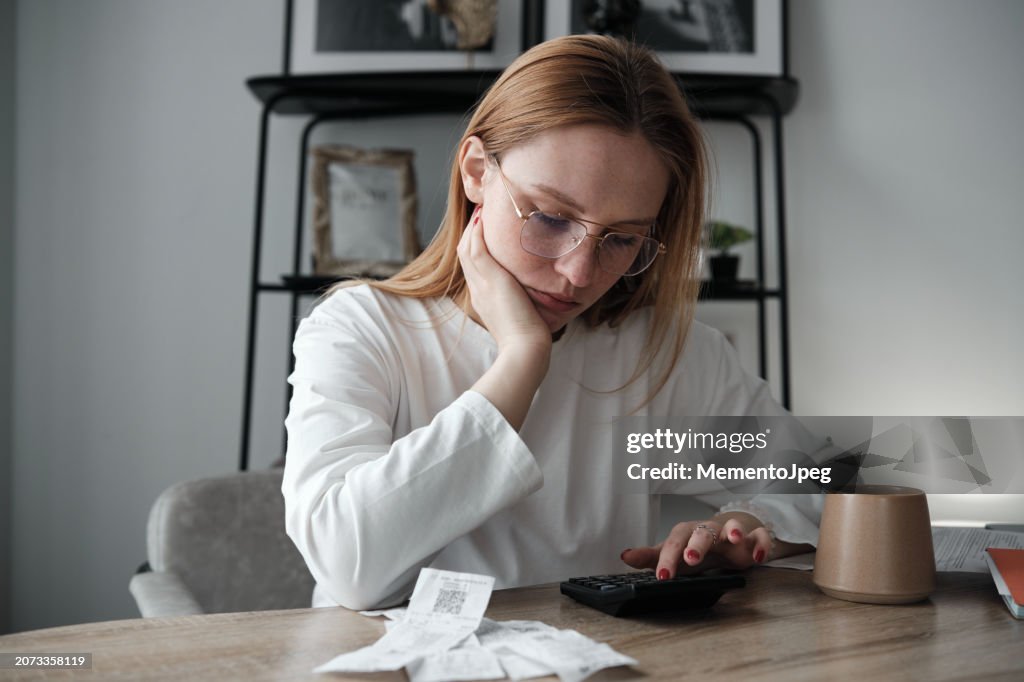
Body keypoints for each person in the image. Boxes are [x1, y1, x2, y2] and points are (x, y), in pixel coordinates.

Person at [283, 34, 821, 611]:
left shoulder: (662, 352)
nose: (579, 272)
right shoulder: (362, 330)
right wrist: (521, 360)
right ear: (475, 172)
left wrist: (751, 521)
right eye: (549, 217)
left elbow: (823, 482)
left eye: (621, 239)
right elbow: (348, 568)